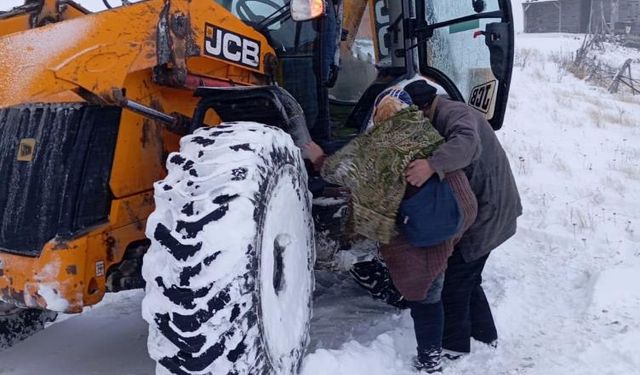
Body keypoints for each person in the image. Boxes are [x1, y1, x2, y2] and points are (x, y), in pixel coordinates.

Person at [304, 87, 478, 373]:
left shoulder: (386, 140)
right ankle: (457, 338)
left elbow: (348, 172)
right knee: (440, 269)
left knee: (424, 290)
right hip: (459, 207)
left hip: (434, 217)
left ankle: (430, 360)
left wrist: (319, 157)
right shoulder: (419, 126)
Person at [403, 79, 522, 358]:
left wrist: (432, 165)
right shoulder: (440, 113)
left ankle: (453, 348)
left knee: (455, 282)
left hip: (490, 210)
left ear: (422, 108)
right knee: (469, 277)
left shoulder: (455, 114)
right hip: (489, 208)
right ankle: (484, 335)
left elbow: (467, 143)